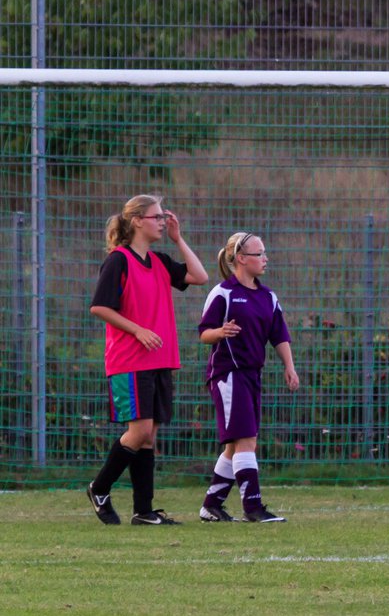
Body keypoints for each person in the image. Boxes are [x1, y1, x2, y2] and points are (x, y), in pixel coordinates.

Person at [87, 195, 209, 525]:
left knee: (149, 435)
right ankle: (99, 487)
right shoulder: (119, 260)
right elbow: (100, 306)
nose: (162, 221)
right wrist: (138, 330)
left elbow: (200, 276)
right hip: (129, 360)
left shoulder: (159, 261)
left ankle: (144, 511)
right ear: (137, 220)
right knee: (139, 431)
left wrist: (178, 238)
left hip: (160, 359)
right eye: (157, 217)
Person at [196, 232, 299, 523]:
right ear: (241, 259)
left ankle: (211, 504)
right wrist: (220, 332)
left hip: (253, 375)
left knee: (235, 445)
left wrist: (289, 366)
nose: (265, 259)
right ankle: (253, 507)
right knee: (246, 441)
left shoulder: (268, 297)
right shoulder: (223, 293)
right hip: (228, 375)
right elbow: (204, 333)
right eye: (259, 254)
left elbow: (279, 335)